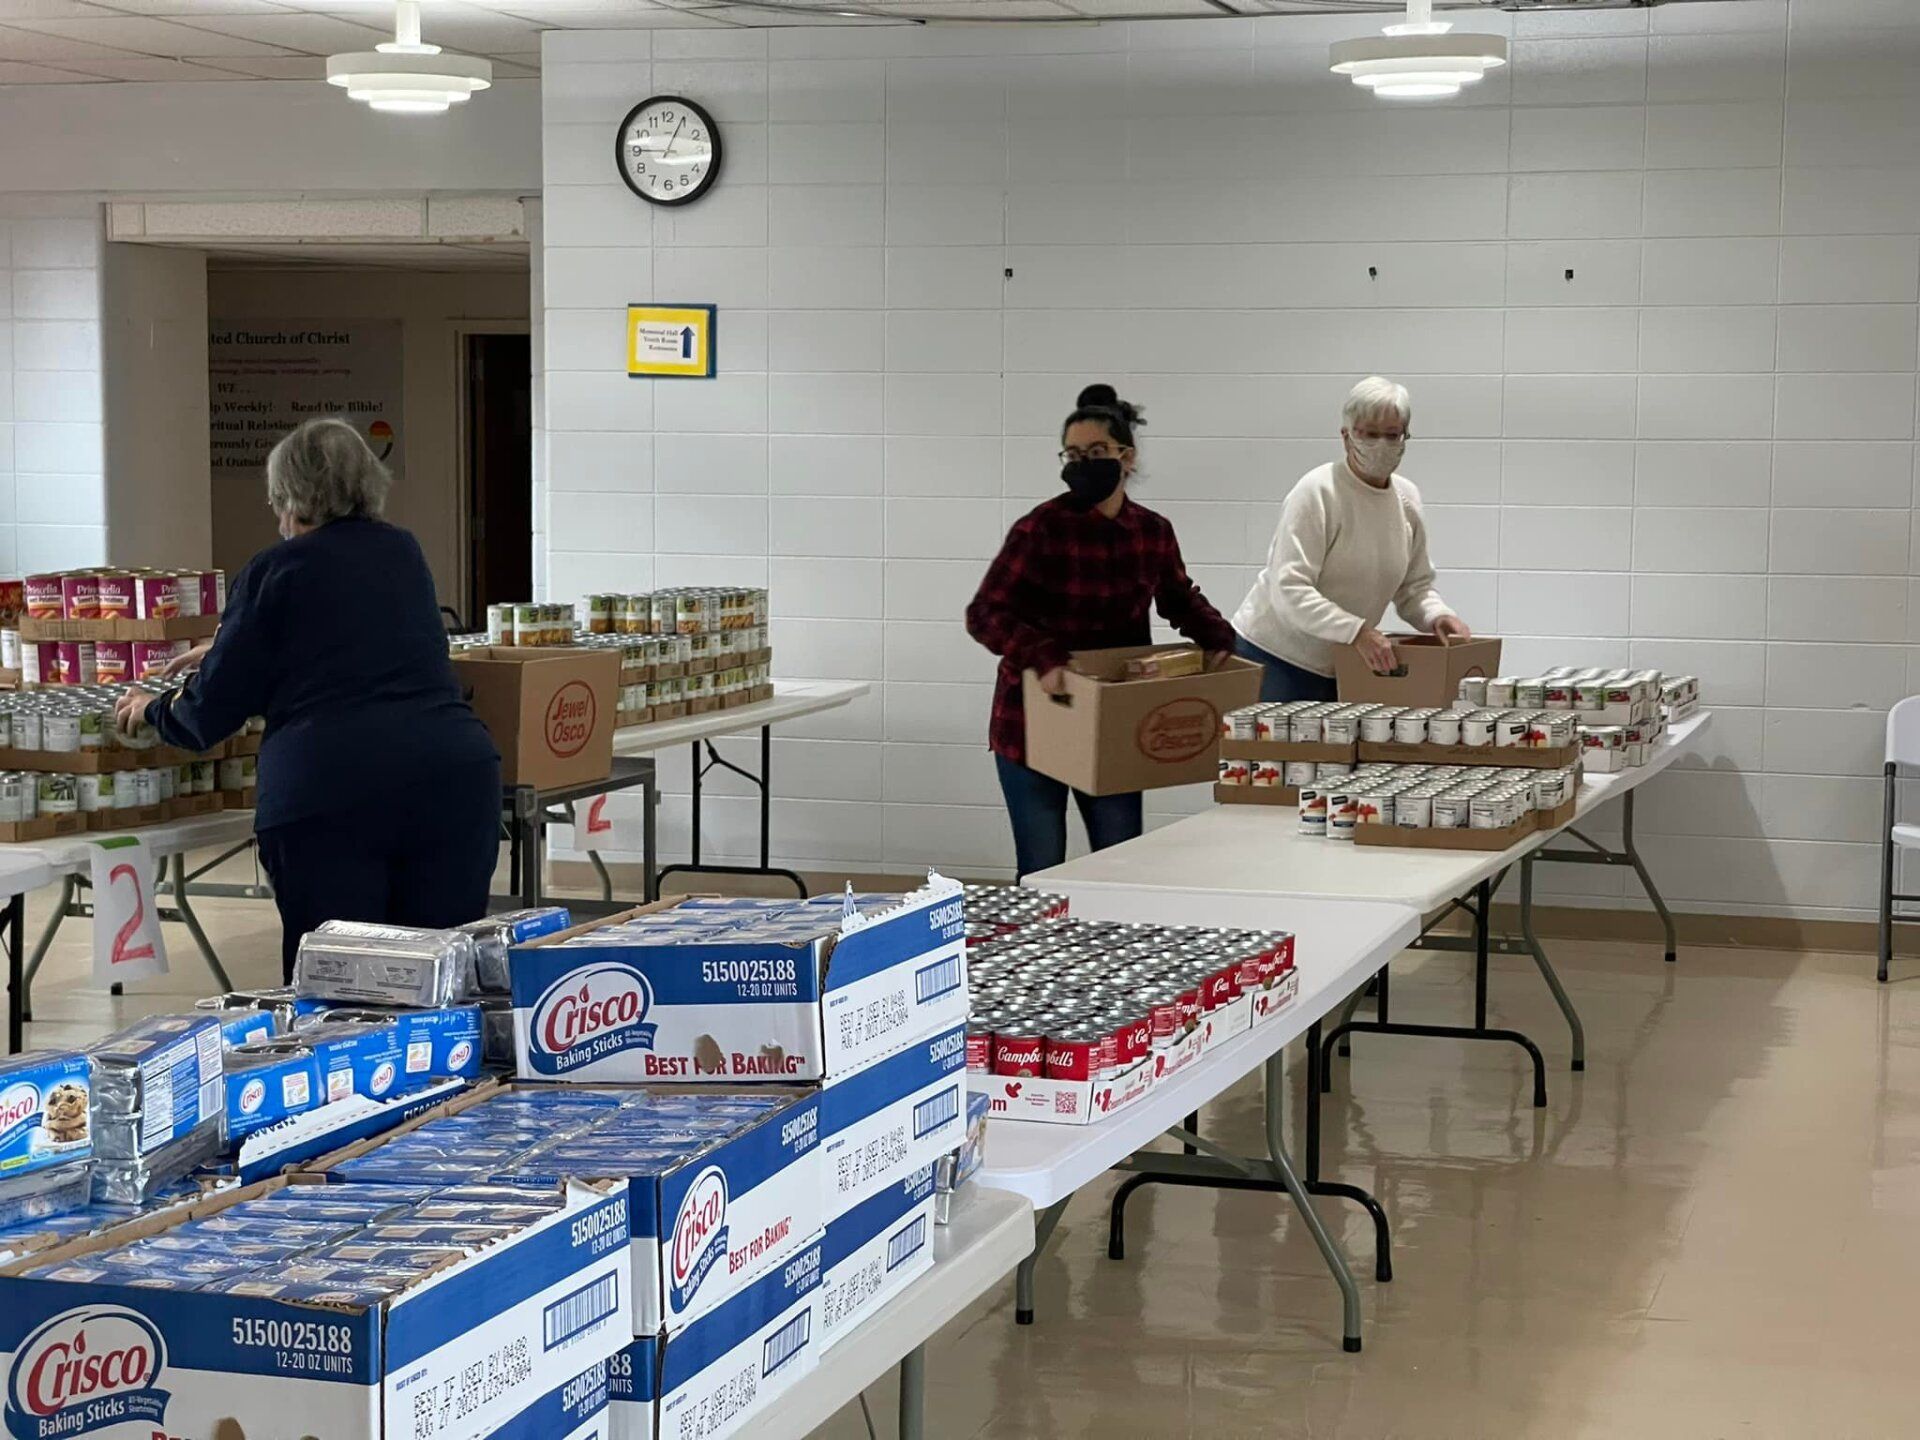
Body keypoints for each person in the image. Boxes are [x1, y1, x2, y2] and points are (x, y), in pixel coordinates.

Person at [114, 417, 502, 980]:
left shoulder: (277, 569)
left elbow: (207, 715)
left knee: (342, 990)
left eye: (278, 505)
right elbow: (355, 641)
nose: (278, 520)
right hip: (452, 781)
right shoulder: (402, 552)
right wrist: (232, 648)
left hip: (334, 795)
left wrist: (151, 708)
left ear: (293, 500)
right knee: (439, 981)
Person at [967, 383, 1237, 879]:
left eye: (1096, 452)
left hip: (1112, 721)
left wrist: (1219, 639)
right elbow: (985, 613)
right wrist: (1042, 656)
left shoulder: (1152, 532)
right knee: (1042, 866)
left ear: (1126, 457)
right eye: (1072, 454)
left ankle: (1112, 953)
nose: (1082, 464)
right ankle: (1037, 955)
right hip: (1034, 718)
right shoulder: (1040, 529)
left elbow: (1178, 597)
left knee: (1117, 862)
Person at [1232, 376, 1471, 702]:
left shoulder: (1406, 498)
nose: (1382, 445)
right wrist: (1356, 631)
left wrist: (1437, 616)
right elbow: (1289, 588)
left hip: (1343, 661)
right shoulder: (1318, 491)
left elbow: (1414, 586)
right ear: (1346, 436)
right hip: (1275, 655)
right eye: (1369, 434)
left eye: (1392, 435)